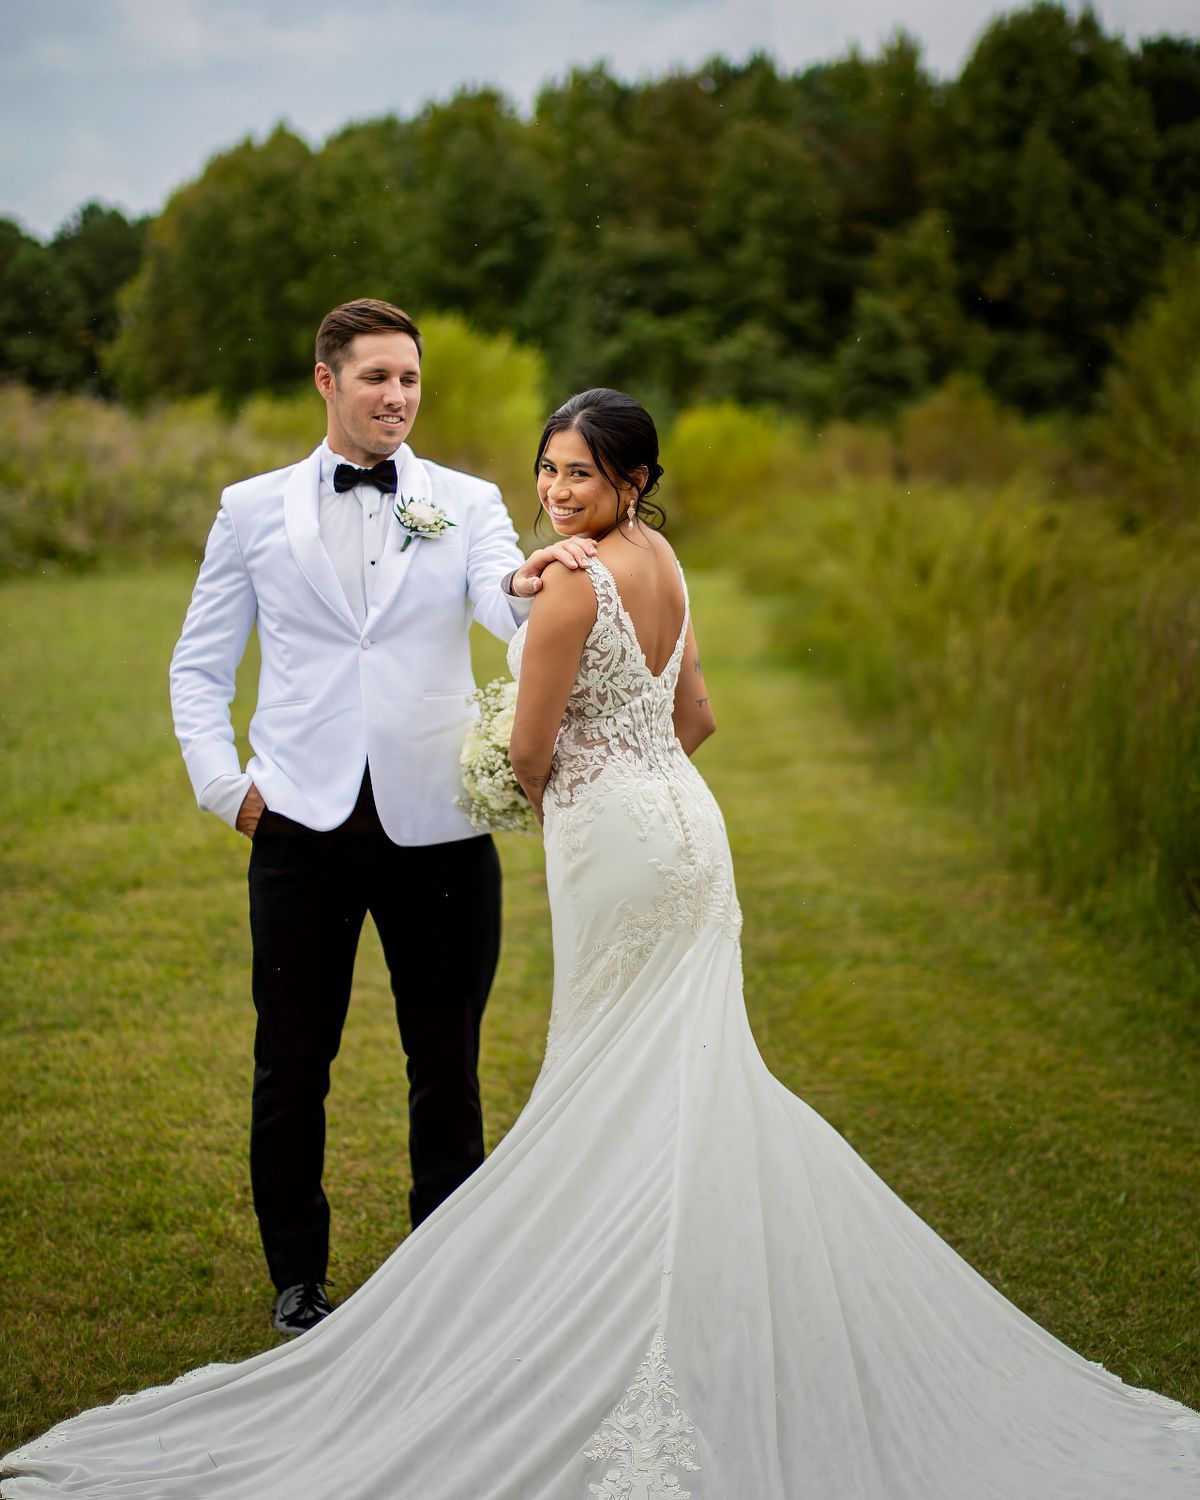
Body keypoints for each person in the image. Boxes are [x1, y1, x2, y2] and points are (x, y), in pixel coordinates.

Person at [3, 389, 1198, 1498]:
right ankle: (664, 1297)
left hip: (612, 846)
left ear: (632, 479)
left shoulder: (571, 585)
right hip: (686, 827)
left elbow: (527, 752)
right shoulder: (662, 559)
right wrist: (627, 775)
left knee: (610, 1067)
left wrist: (531, 788)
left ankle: (612, 1309)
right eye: (548, 469)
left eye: (582, 473)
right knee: (685, 1069)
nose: (558, 490)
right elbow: (698, 715)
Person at [163, 299, 592, 1337]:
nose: (397, 397)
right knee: (292, 1061)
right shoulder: (251, 508)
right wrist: (231, 790)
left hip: (437, 825)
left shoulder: (468, 499)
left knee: (445, 1059)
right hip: (299, 825)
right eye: (376, 379)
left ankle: (441, 1277)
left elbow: (502, 603)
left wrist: (544, 579)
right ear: (328, 382)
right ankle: (298, 1279)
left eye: (409, 379)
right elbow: (199, 665)